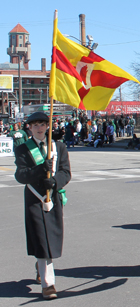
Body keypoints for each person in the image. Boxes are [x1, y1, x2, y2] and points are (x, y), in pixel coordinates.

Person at [14, 112, 71, 300]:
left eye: (43, 124)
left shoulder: (59, 147)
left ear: (48, 126)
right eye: (35, 125)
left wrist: (54, 181)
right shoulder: (23, 149)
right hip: (34, 199)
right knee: (40, 239)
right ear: (29, 128)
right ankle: (48, 284)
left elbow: (66, 172)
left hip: (52, 198)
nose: (39, 128)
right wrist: (40, 170)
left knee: (51, 239)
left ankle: (41, 266)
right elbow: (20, 176)